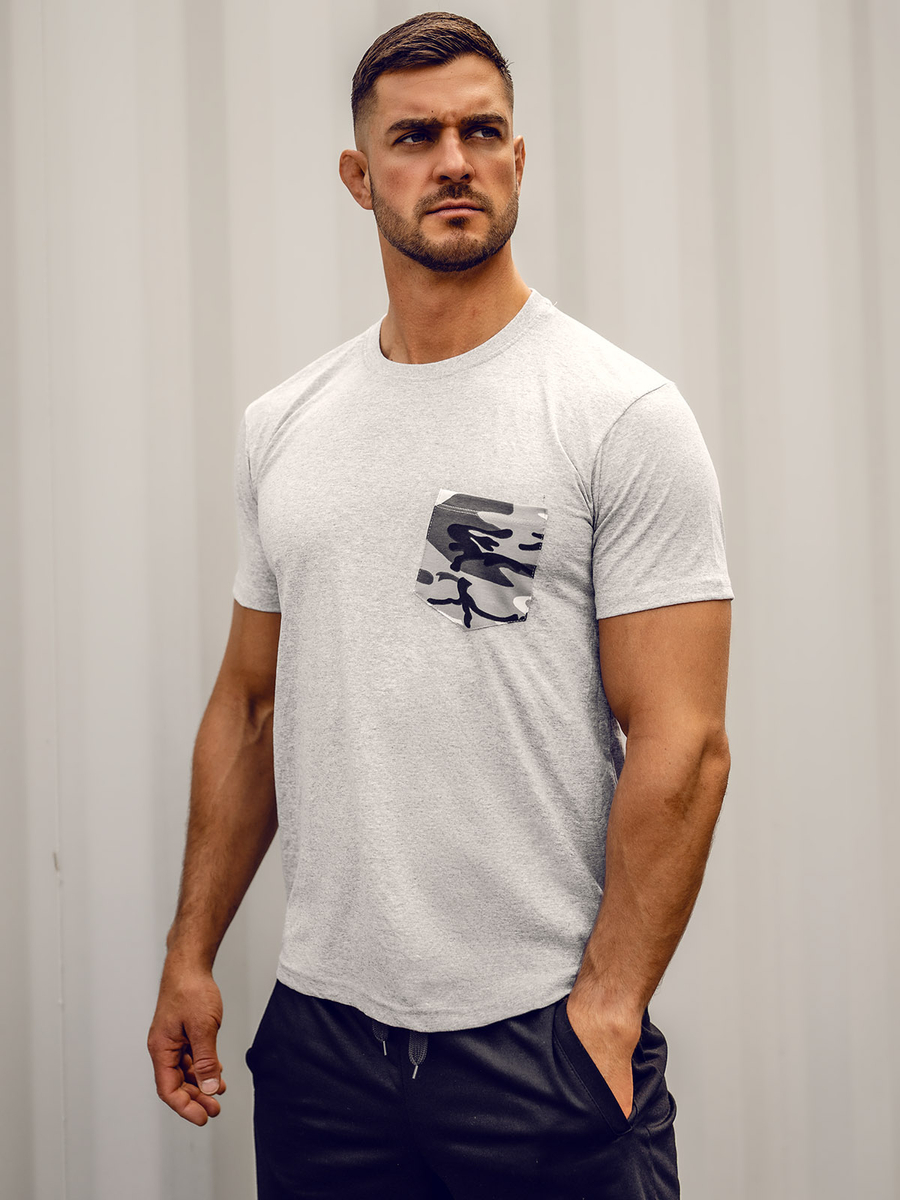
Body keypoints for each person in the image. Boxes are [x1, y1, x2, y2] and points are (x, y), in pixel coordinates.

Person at [147, 11, 733, 1199]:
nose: (453, 160)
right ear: (360, 176)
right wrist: (190, 951)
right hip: (324, 1044)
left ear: (519, 156)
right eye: (414, 137)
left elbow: (686, 742)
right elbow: (251, 707)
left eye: (481, 131)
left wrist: (608, 1008)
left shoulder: (617, 414)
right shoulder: (286, 427)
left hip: (538, 1039)